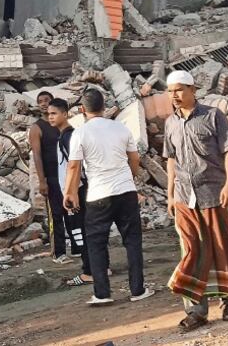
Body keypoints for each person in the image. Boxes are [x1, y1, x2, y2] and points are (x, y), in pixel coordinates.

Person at [163, 70, 228, 332]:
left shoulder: (212, 116)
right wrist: (170, 195)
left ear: (192, 90)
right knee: (191, 251)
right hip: (184, 197)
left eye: (179, 89)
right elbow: (171, 160)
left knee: (223, 248)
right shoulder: (170, 123)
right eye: (170, 91)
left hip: (214, 193)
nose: (174, 95)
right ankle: (196, 311)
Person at [63, 89, 153, 306]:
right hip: (125, 192)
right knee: (132, 241)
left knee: (96, 244)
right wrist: (129, 177)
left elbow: (74, 166)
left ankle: (102, 294)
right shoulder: (121, 128)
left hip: (98, 195)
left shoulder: (80, 133)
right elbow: (134, 159)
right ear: (104, 107)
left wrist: (70, 193)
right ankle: (138, 289)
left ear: (82, 109)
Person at [48, 99, 94, 287]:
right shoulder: (67, 136)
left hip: (76, 193)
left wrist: (71, 193)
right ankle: (100, 267)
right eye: (49, 114)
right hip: (77, 191)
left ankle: (89, 272)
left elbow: (76, 167)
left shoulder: (68, 137)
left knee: (79, 231)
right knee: (86, 230)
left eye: (54, 113)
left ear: (65, 114)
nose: (50, 117)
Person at [29, 91, 72, 264]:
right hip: (52, 178)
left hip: (67, 176)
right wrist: (42, 181)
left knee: (72, 211)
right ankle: (58, 253)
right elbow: (37, 155)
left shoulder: (60, 125)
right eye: (40, 101)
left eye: (46, 100)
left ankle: (77, 247)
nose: (43, 103)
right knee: (56, 215)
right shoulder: (37, 128)